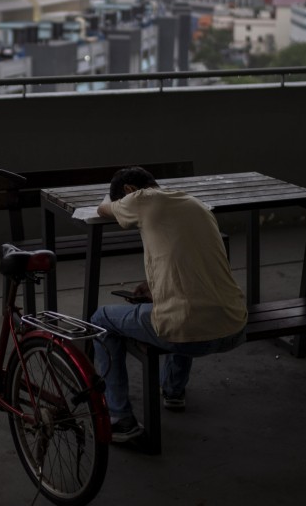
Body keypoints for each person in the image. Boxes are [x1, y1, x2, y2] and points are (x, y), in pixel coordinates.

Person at [90, 166, 247, 442]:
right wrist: (153, 287)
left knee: (101, 319)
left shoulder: (141, 199)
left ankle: (118, 418)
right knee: (183, 305)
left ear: (128, 191)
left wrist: (113, 202)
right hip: (235, 324)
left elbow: (104, 208)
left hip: (190, 333)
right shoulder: (195, 203)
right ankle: (174, 392)